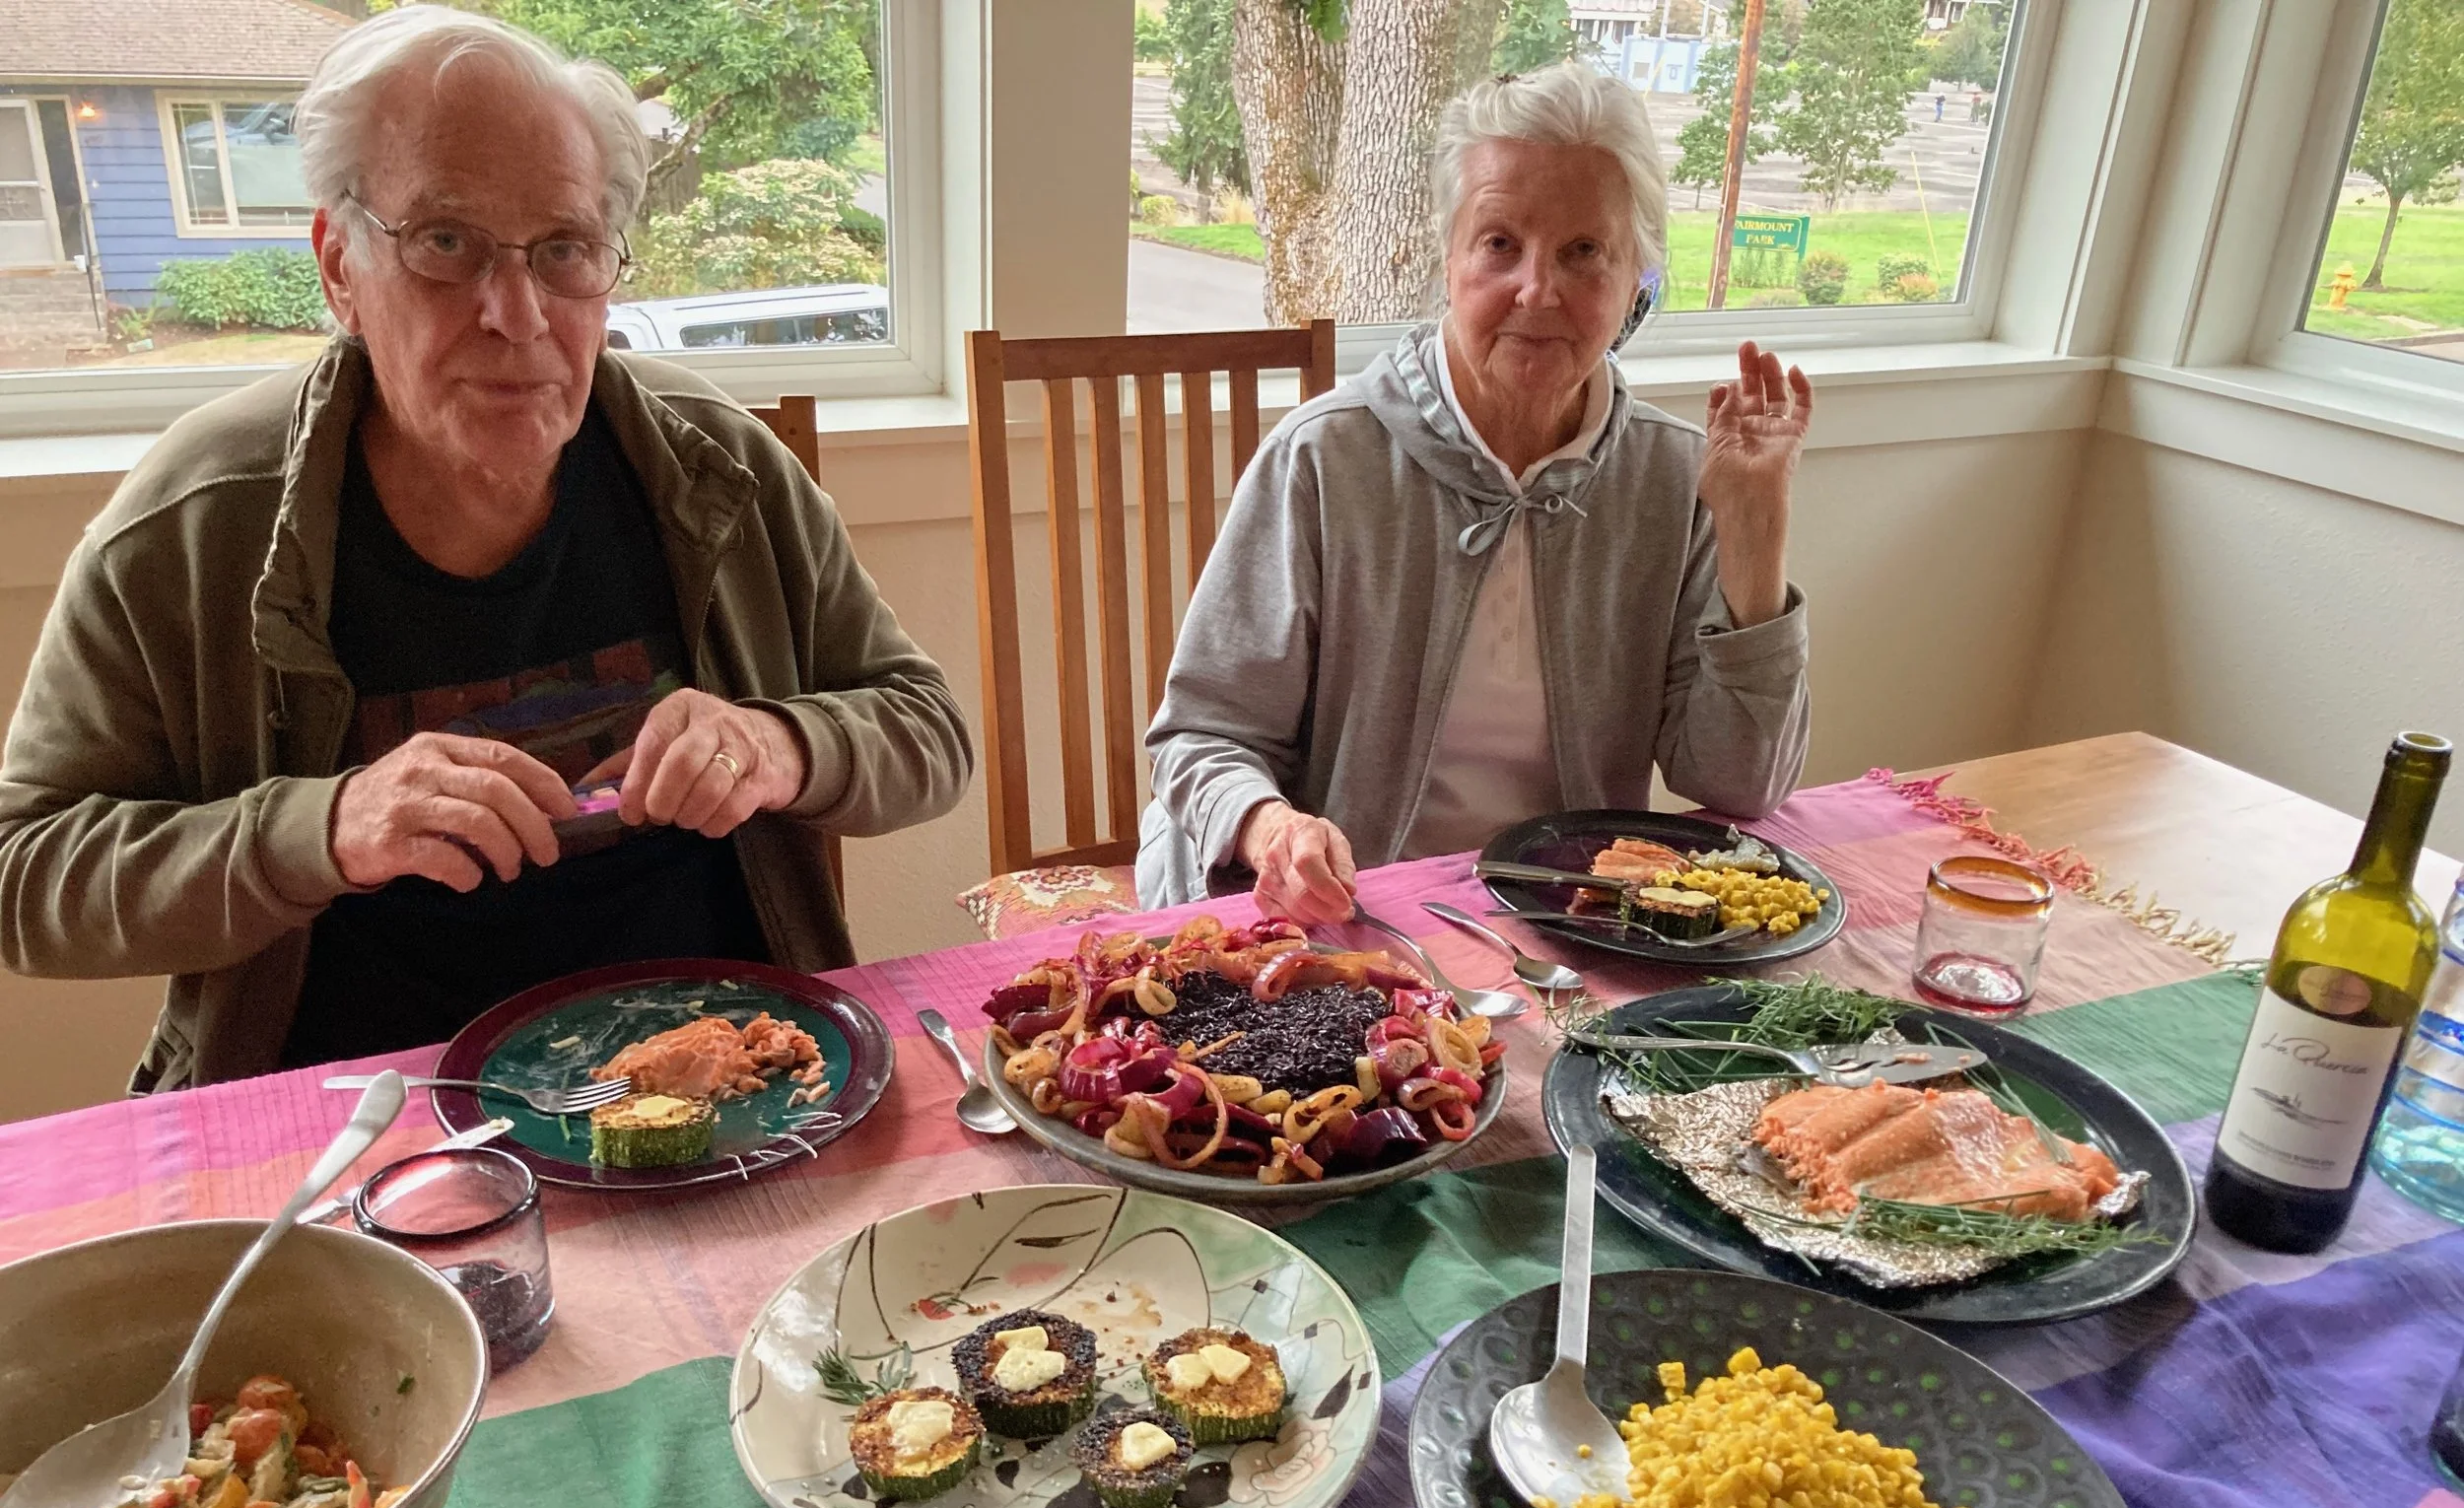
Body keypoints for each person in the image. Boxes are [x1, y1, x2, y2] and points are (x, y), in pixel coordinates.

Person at [0, 6, 971, 1089]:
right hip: (363, 1112)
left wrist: (779, 745)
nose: (515, 313)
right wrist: (322, 829)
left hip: (726, 1082)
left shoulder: (717, 470)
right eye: (446, 243)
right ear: (338, 265)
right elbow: (27, 876)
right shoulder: (194, 523)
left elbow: (927, 733)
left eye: (564, 251)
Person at [1138, 61, 1814, 925]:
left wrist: (1756, 545)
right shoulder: (1325, 458)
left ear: (1636, 273)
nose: (1538, 289)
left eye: (1584, 251)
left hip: (1573, 920)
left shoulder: (1677, 477)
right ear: (1448, 258)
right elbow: (1202, 736)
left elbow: (1739, 787)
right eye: (1500, 243)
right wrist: (1273, 828)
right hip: (1348, 912)